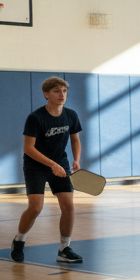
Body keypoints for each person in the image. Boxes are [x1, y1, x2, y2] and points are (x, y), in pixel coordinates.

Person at [12, 77, 84, 265]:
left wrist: (76, 159)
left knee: (68, 205)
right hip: (36, 165)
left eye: (64, 91)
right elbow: (28, 148)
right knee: (35, 207)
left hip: (61, 163)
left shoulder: (71, 115)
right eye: (57, 91)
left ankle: (64, 249)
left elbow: (75, 139)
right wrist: (51, 165)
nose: (62, 95)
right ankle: (19, 240)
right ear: (46, 94)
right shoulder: (35, 118)